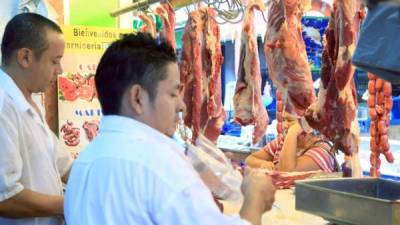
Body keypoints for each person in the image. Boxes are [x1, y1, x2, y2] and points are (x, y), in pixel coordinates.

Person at [64, 33, 276, 225]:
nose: (182, 105)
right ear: (137, 97)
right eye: (173, 94)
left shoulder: (86, 161)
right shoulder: (158, 162)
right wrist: (254, 200)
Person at [0, 13, 73, 225]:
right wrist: (69, 204)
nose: (60, 71)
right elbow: (6, 199)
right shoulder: (3, 105)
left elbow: (63, 164)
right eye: (54, 61)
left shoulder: (29, 100)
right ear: (25, 57)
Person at [246, 112, 338, 172]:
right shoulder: (282, 141)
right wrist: (263, 164)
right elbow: (250, 159)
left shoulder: (322, 150)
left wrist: (292, 133)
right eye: (284, 120)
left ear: (306, 123)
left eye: (289, 120)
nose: (284, 125)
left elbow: (286, 171)